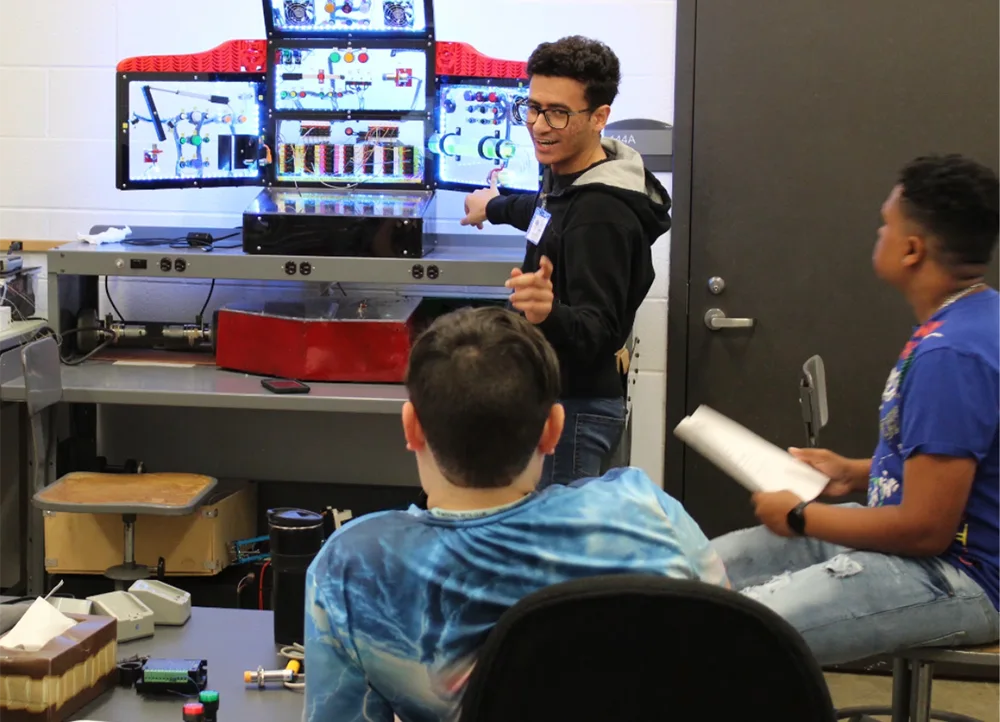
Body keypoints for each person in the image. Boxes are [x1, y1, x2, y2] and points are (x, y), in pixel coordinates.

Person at [303, 307, 727, 722]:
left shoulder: (352, 567)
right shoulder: (647, 512)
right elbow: (733, 658)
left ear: (411, 426)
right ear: (553, 429)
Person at [712, 154, 1000, 665]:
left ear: (912, 249)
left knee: (729, 633)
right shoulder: (973, 320)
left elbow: (926, 527)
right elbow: (961, 466)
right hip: (920, 543)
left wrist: (802, 517)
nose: (878, 231)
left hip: (959, 573)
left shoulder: (951, 353)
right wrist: (857, 472)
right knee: (700, 574)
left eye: (886, 223)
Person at [460, 36, 672, 488]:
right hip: (558, 400)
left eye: (557, 112)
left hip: (576, 413)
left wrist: (548, 313)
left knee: (558, 551)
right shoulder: (569, 173)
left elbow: (599, 330)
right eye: (532, 108)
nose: (538, 125)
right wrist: (492, 206)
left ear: (599, 117)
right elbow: (545, 211)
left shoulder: (602, 213)